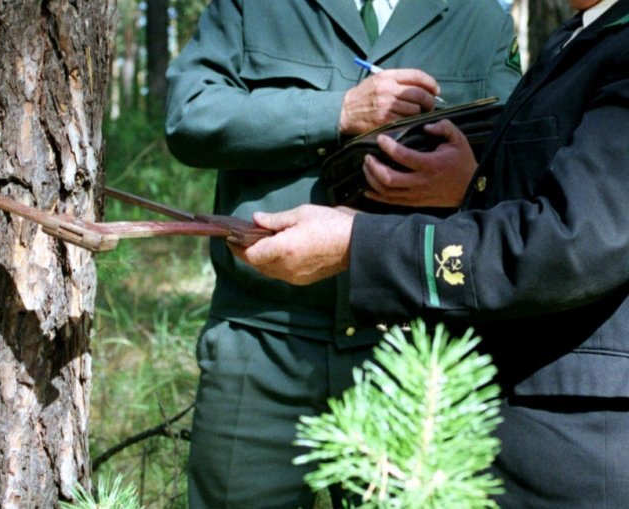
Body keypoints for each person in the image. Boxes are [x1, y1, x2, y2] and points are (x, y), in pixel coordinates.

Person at [233, 0, 629, 506]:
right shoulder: (576, 37)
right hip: (507, 424)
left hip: (579, 448)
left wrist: (359, 243)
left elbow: (568, 245)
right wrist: (470, 186)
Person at [165, 1, 521, 507]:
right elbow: (188, 115)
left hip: (414, 353)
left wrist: (465, 183)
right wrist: (338, 111)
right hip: (264, 341)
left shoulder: (479, 15)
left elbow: (518, 160)